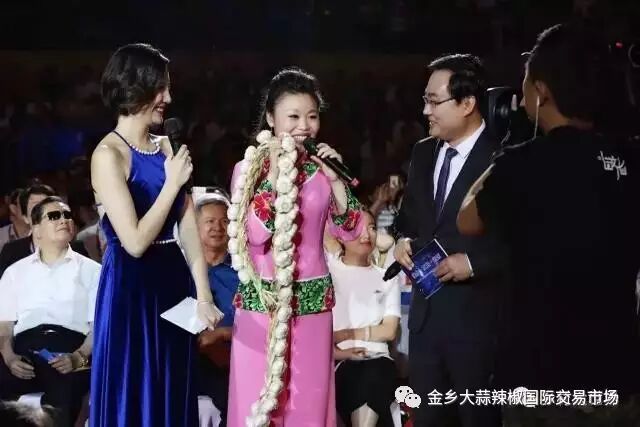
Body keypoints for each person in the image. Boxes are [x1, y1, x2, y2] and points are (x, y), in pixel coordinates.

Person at [458, 23, 640, 425]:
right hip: (618, 381)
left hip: (540, 384)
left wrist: (509, 146)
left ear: (541, 92)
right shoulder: (630, 157)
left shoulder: (519, 164)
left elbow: (467, 217)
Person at [89, 43, 222, 427]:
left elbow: (187, 222)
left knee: (172, 389)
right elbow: (133, 242)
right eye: (160, 88)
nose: (168, 98)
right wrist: (172, 183)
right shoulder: (108, 154)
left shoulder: (167, 147)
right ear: (134, 87)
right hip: (131, 289)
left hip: (173, 281)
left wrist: (203, 294)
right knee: (136, 389)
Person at [227, 67, 363, 426]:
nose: (305, 126)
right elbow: (256, 235)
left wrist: (335, 179)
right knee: (258, 402)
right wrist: (273, 178)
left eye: (312, 116)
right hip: (261, 307)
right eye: (294, 116)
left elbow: (352, 232)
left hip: (312, 309)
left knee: (308, 405)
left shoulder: (322, 171)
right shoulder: (249, 169)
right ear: (271, 119)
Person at [393, 54, 505, 427]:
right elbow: (407, 219)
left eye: (434, 101)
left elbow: (522, 241)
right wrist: (402, 240)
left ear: (467, 103)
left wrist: (473, 263)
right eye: (425, 100)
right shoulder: (423, 152)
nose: (426, 111)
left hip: (478, 324)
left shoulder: (503, 157)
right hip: (425, 323)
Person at [0, 197, 100, 426]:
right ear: (36, 229)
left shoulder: (94, 271)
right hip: (23, 350)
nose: (63, 220)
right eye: (54, 216)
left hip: (70, 349)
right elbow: (4, 326)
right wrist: (9, 357)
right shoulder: (15, 272)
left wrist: (78, 357)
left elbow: (99, 327)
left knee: (65, 392)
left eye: (67, 215)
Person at [328, 211, 401, 427]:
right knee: (358, 377)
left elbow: (389, 331)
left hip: (379, 358)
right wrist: (341, 350)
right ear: (340, 234)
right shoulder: (327, 272)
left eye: (371, 228)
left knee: (375, 373)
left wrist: (345, 334)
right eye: (357, 228)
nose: (366, 235)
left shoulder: (387, 277)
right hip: (340, 360)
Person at [193, 188, 237, 426]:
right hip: (190, 355)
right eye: (210, 221)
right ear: (195, 227)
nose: (218, 228)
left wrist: (221, 334)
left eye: (224, 221)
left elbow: (257, 322)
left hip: (234, 356)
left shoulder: (243, 273)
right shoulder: (181, 271)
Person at [0, 184, 88, 278]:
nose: (43, 212)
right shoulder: (11, 252)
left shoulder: (77, 249)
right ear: (25, 217)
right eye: (36, 207)